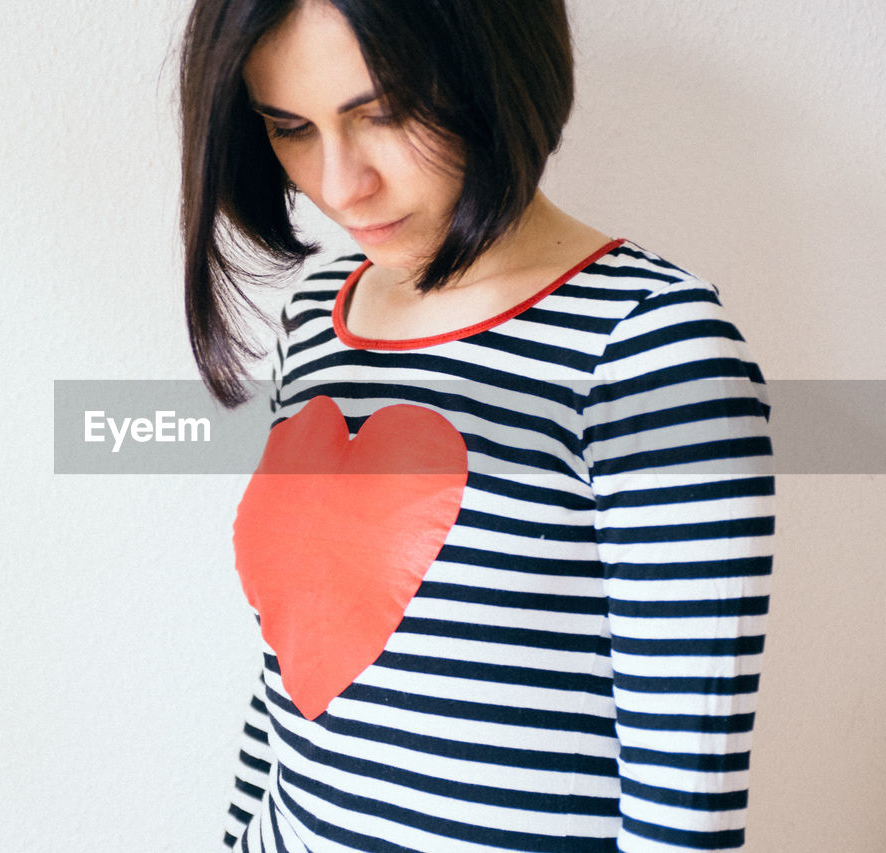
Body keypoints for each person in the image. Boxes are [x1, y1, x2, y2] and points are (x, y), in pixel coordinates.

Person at [178, 1, 775, 851]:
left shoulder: (651, 347)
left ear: (496, 68)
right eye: (290, 127)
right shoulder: (316, 317)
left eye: (381, 112)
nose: (339, 185)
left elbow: (684, 808)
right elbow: (288, 680)